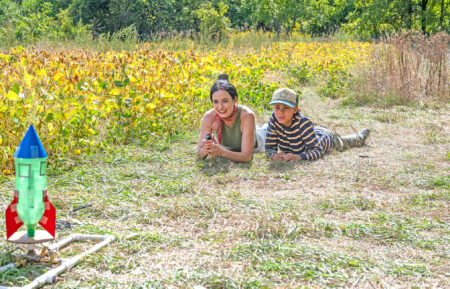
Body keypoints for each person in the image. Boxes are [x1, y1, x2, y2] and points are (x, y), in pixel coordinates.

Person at [265, 88, 370, 162]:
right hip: (314, 132)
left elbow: (317, 151)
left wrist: (299, 157)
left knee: (345, 142)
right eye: (277, 107)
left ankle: (360, 136)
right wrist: (273, 156)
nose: (280, 112)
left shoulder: (303, 123)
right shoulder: (274, 120)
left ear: (295, 109)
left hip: (327, 139)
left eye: (286, 108)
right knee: (313, 133)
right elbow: (269, 147)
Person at [196, 74, 266, 163]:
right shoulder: (209, 117)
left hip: (262, 140)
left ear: (234, 100)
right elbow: (198, 155)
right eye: (216, 102)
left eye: (225, 101)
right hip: (233, 146)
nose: (220, 107)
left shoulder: (247, 115)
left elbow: (246, 157)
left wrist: (221, 152)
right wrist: (204, 150)